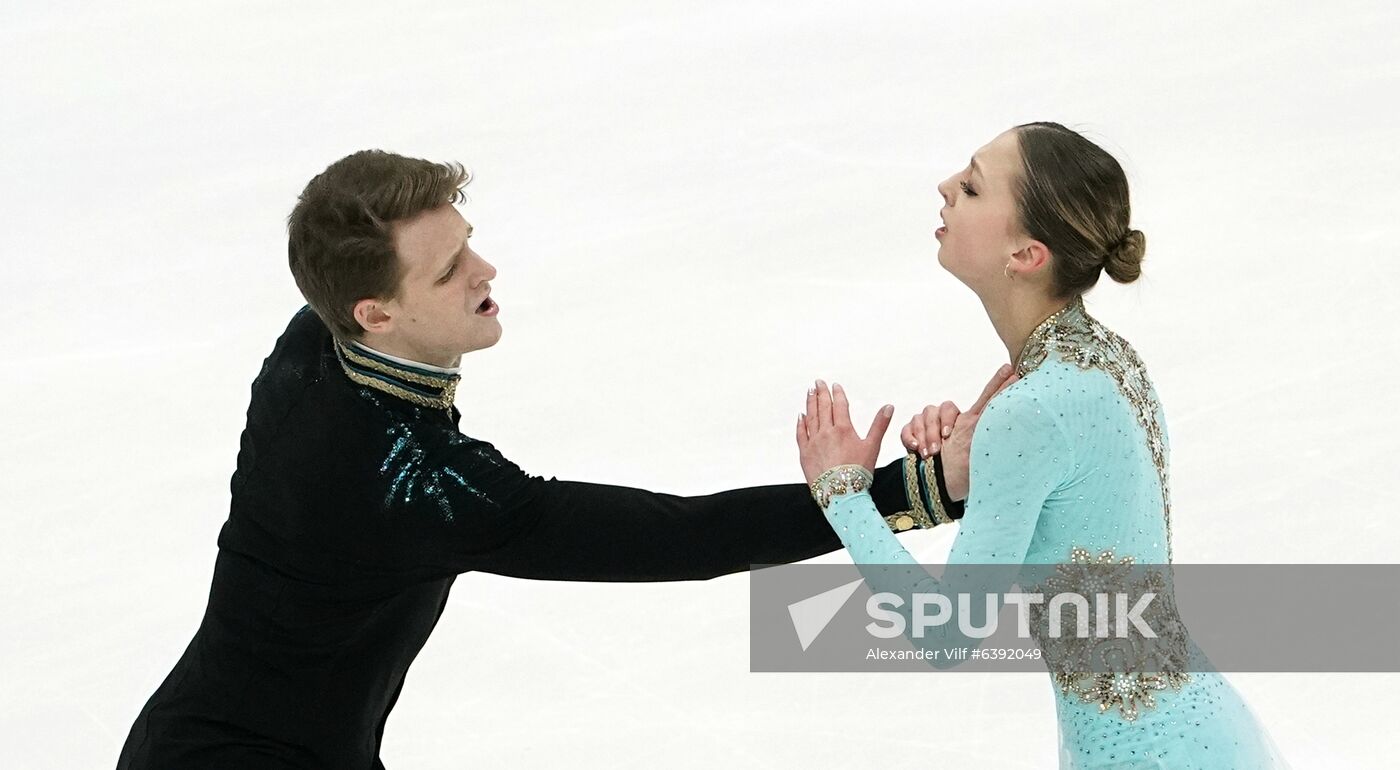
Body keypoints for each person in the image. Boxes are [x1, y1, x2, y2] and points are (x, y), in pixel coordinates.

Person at [113, 149, 989, 769]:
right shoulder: (423, 485)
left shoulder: (314, 340)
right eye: (451, 267)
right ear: (377, 313)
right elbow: (685, 539)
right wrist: (920, 489)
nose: (485, 268)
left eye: (470, 240)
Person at [795, 122, 1290, 768]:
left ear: (1027, 254)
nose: (946, 188)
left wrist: (844, 494)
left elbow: (947, 633)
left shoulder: (1031, 409)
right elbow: (1062, 505)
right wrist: (955, 471)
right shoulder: (1107, 361)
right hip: (1189, 732)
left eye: (971, 188)